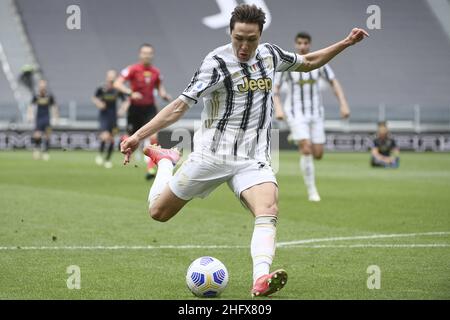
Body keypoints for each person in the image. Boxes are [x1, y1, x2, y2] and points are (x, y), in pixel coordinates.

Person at [120, 4, 368, 297]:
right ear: (230, 32)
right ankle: (165, 161)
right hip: (211, 155)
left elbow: (309, 61)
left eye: (251, 39)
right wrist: (139, 136)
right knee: (157, 213)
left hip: (253, 157)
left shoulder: (271, 55)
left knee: (268, 208)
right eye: (239, 38)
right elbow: (178, 106)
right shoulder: (215, 62)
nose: (244, 46)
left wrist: (346, 42)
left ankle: (260, 279)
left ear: (260, 35)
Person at [273, 32, 351, 202]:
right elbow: (275, 89)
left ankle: (297, 138)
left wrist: (343, 104)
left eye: (305, 43)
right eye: (299, 43)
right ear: (295, 44)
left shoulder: (320, 63)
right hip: (295, 112)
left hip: (315, 113)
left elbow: (334, 82)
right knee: (306, 149)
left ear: (309, 44)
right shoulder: (288, 63)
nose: (302, 46)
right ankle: (312, 191)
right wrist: (278, 108)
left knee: (318, 154)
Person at [114, 44, 172, 179]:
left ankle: (151, 169)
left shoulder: (156, 72)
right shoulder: (133, 69)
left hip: (149, 108)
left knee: (153, 137)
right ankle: (125, 144)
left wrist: (163, 94)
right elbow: (118, 83)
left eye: (149, 53)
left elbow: (159, 86)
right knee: (132, 138)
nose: (147, 55)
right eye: (144, 53)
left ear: (152, 55)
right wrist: (130, 93)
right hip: (135, 109)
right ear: (140, 54)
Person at [92, 70, 129, 169]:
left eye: (113, 77)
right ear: (107, 77)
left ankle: (107, 160)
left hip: (113, 117)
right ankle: (100, 154)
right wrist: (98, 103)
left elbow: (126, 101)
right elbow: (94, 97)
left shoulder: (118, 89)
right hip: (104, 116)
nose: (111, 78)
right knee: (104, 136)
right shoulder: (101, 88)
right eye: (110, 76)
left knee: (112, 139)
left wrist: (122, 110)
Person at [27, 79, 58, 161]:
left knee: (47, 135)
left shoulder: (49, 96)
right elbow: (30, 106)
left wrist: (56, 117)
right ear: (39, 86)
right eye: (41, 85)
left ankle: (46, 152)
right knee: (37, 135)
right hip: (39, 118)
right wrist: (30, 115)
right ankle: (37, 150)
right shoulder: (36, 96)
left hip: (47, 118)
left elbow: (54, 107)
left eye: (43, 85)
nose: (42, 87)